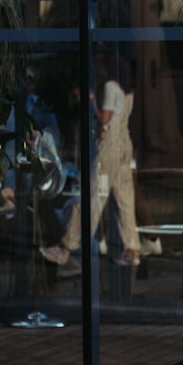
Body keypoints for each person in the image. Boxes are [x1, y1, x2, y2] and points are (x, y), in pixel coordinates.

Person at [40, 53, 139, 267]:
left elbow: (104, 119)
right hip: (124, 143)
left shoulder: (112, 87)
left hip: (110, 147)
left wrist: (92, 101)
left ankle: (66, 246)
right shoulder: (129, 90)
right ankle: (131, 249)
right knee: (125, 199)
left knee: (92, 196)